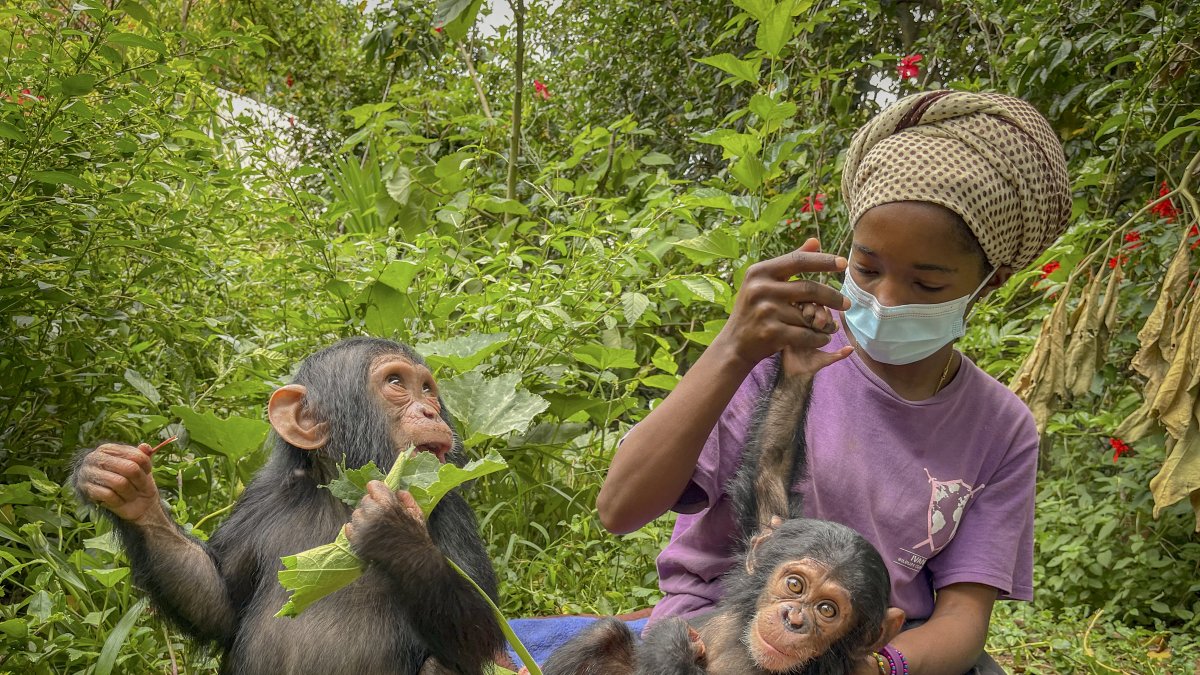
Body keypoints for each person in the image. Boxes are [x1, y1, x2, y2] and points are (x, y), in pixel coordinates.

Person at [597, 90, 1071, 675]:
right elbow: (619, 509)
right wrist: (733, 348)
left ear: (990, 281)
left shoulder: (1000, 427)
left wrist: (874, 668)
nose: (888, 299)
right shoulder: (783, 347)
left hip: (863, 646)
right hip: (727, 626)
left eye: (927, 284)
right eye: (868, 268)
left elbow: (963, 621)